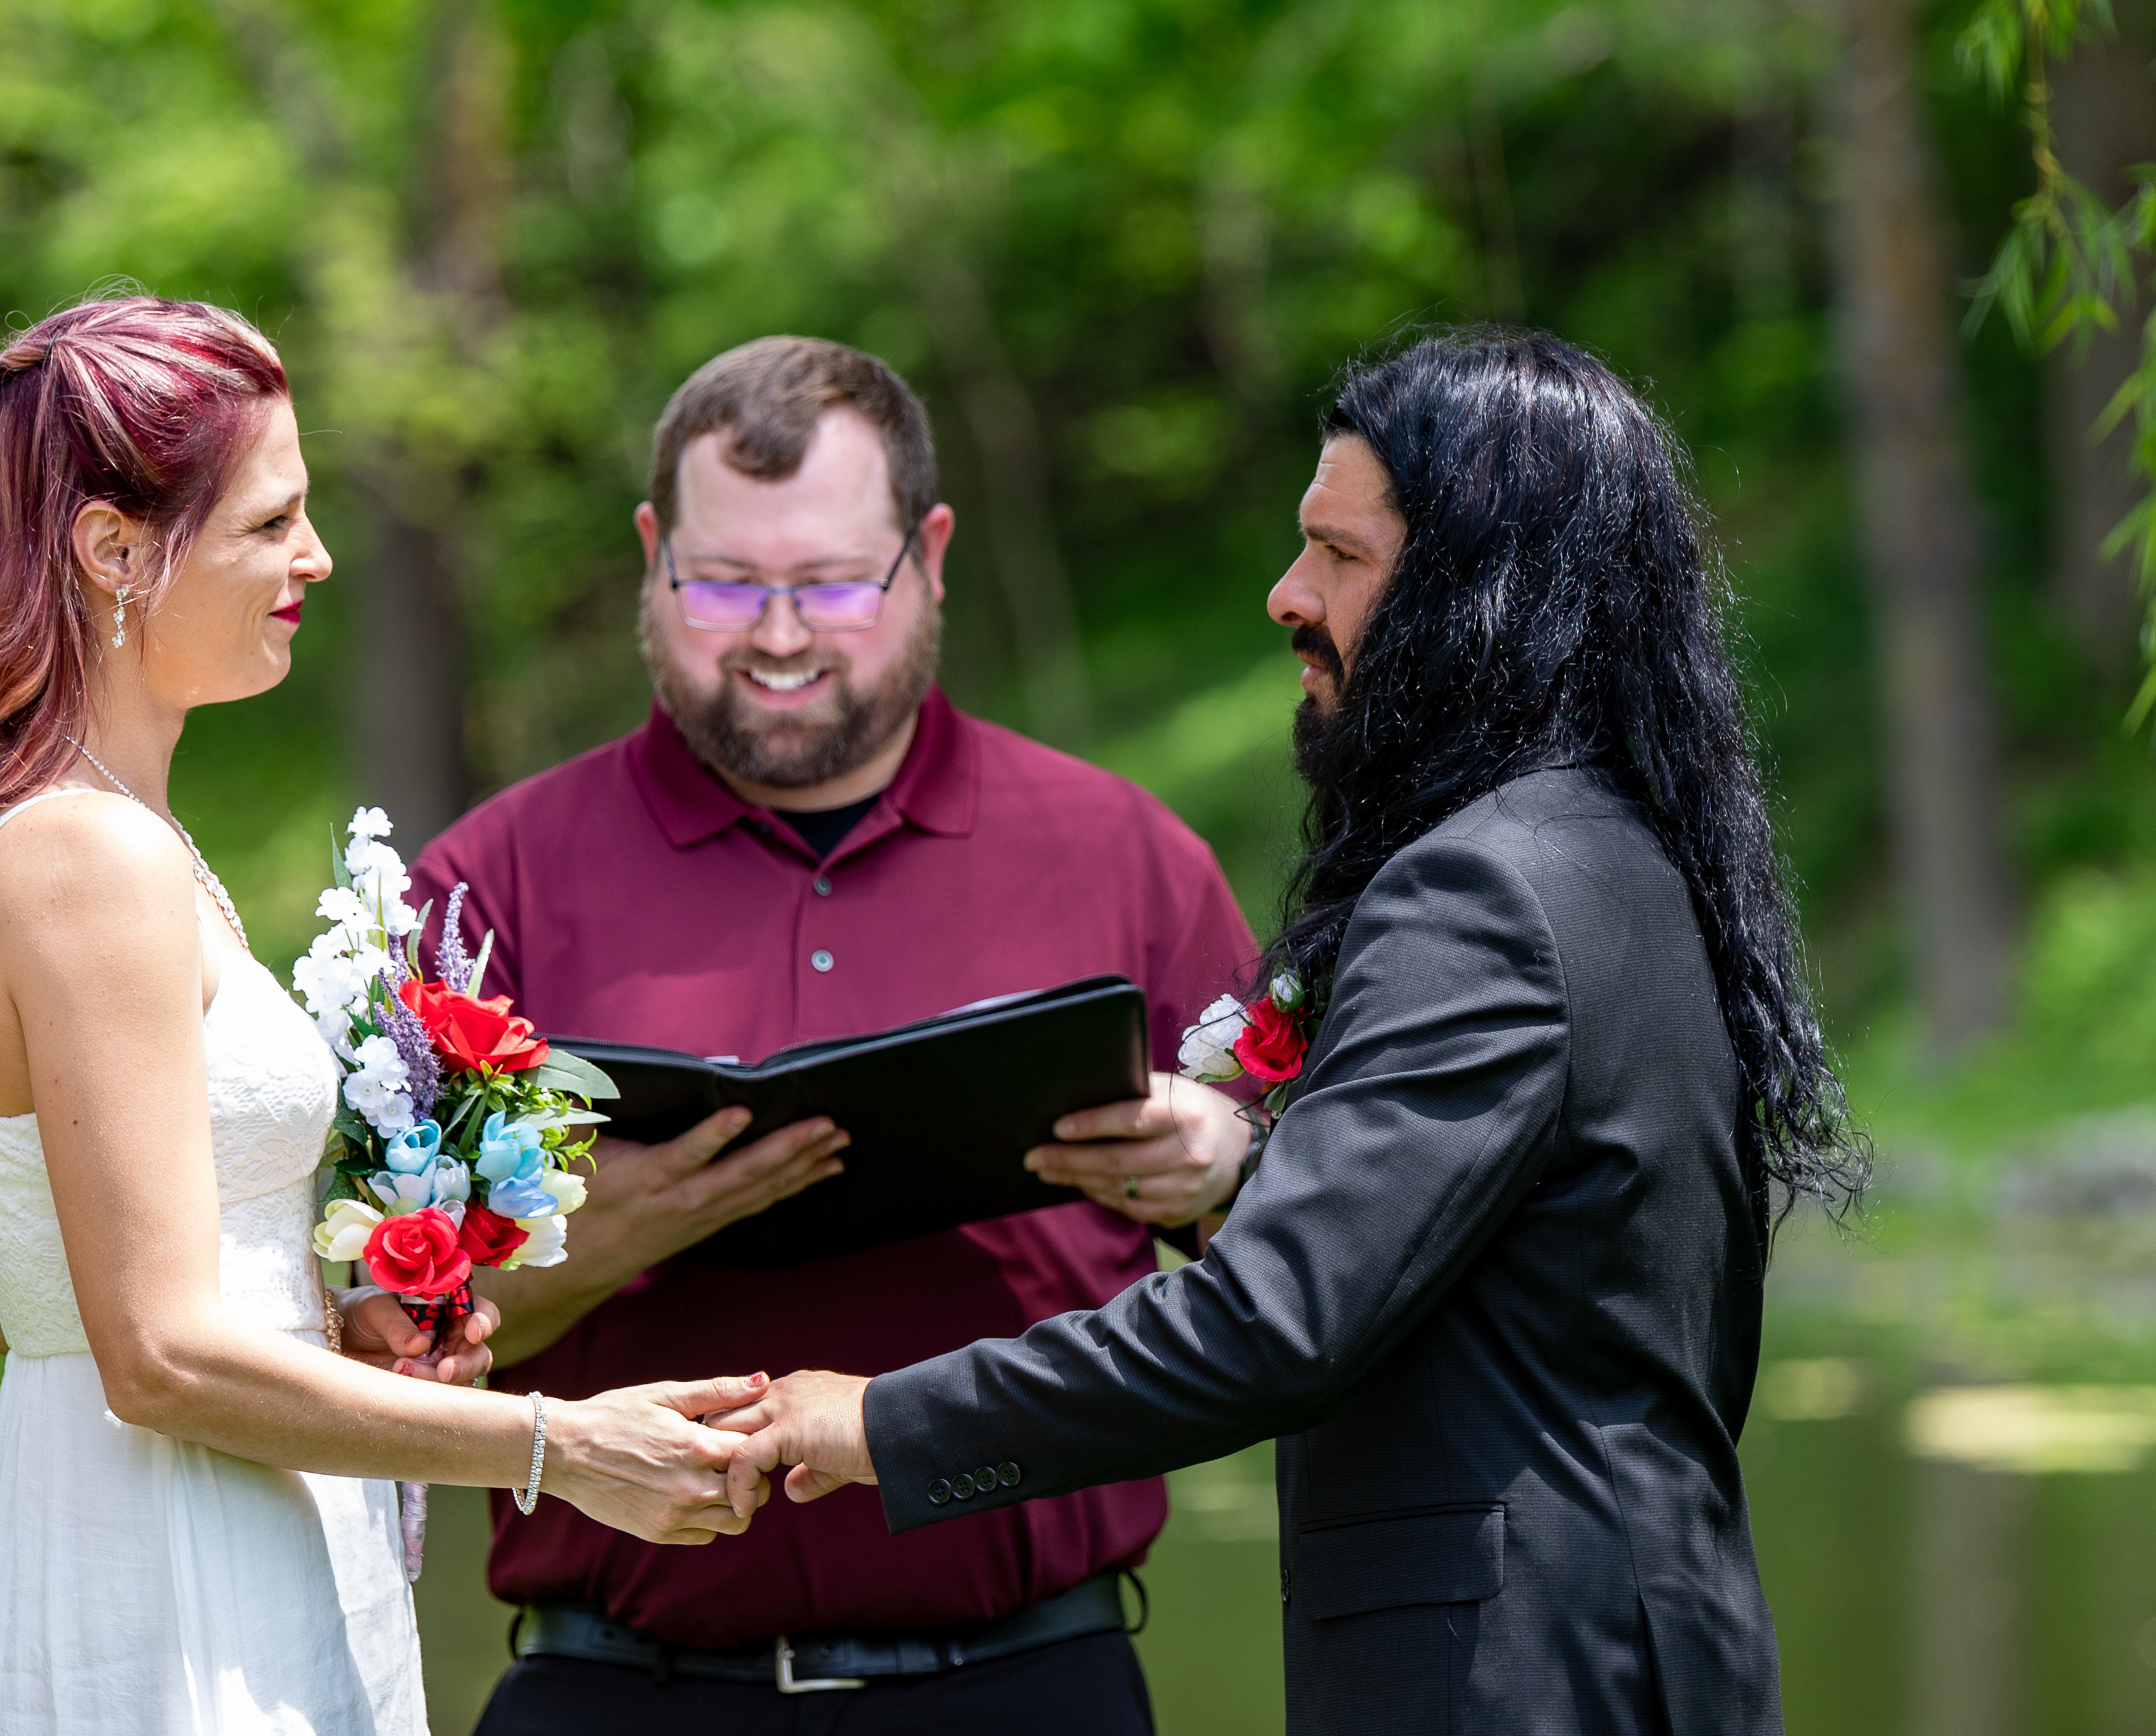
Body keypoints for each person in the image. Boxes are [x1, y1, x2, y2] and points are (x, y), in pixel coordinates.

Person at [717, 331, 1872, 1736]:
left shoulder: (1483, 891)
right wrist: (1246, 1179)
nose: (1286, 594)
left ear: (1478, 596)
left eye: (1339, 555)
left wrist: (879, 1425)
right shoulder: (1625, 860)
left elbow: (1270, 1325)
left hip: (1514, 1682)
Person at [0, 294, 771, 1736]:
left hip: (230, 1520)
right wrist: (558, 1446)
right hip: (174, 1578)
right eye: (269, 522)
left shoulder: (107, 837)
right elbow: (154, 1355)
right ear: (113, 549)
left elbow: (18, 1290)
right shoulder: (83, 859)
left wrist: (336, 1310)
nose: (316, 558)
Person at [404, 335, 1259, 1732]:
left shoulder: (1124, 857)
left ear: (929, 552)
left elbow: (1312, 1278)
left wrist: (1221, 1168)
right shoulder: (478, 897)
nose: (781, 635)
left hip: (1031, 1684)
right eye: (727, 582)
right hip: (612, 1687)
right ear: (651, 552)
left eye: (832, 583)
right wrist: (584, 1246)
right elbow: (362, 1352)